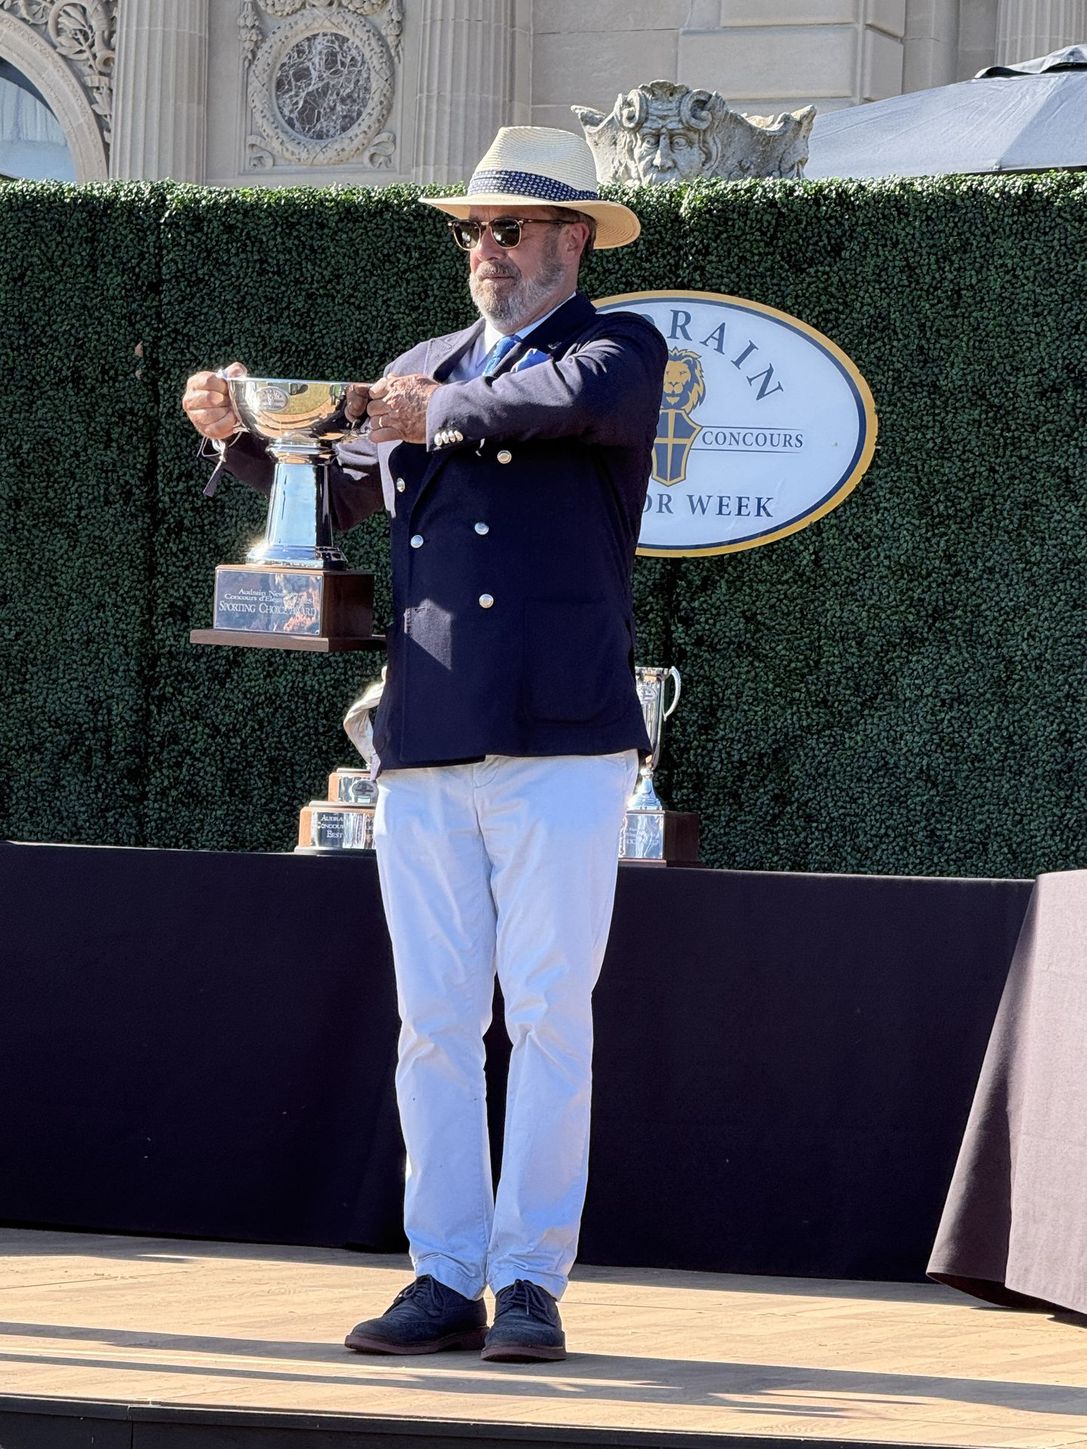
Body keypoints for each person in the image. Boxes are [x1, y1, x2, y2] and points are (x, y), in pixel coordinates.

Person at [182, 126, 667, 1363]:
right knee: (435, 1020)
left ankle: (531, 1279)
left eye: (510, 228)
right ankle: (445, 1273)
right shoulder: (421, 368)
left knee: (548, 1012)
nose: (485, 249)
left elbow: (554, 407)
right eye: (472, 230)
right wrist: (243, 437)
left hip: (562, 735)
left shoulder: (614, 349)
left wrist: (429, 410)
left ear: (571, 240)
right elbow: (336, 492)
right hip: (430, 729)